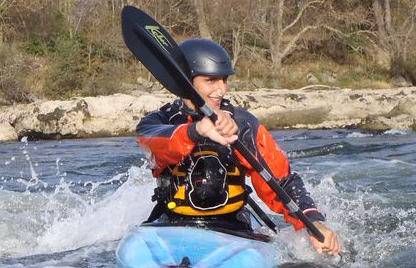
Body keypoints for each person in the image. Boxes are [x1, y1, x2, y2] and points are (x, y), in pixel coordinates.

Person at [136, 38, 341, 256]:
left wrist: (313, 221)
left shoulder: (243, 124)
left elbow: (281, 181)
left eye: (224, 80)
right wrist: (197, 130)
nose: (221, 89)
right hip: (171, 224)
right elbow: (153, 142)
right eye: (211, 80)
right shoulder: (160, 122)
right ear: (187, 81)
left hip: (232, 226)